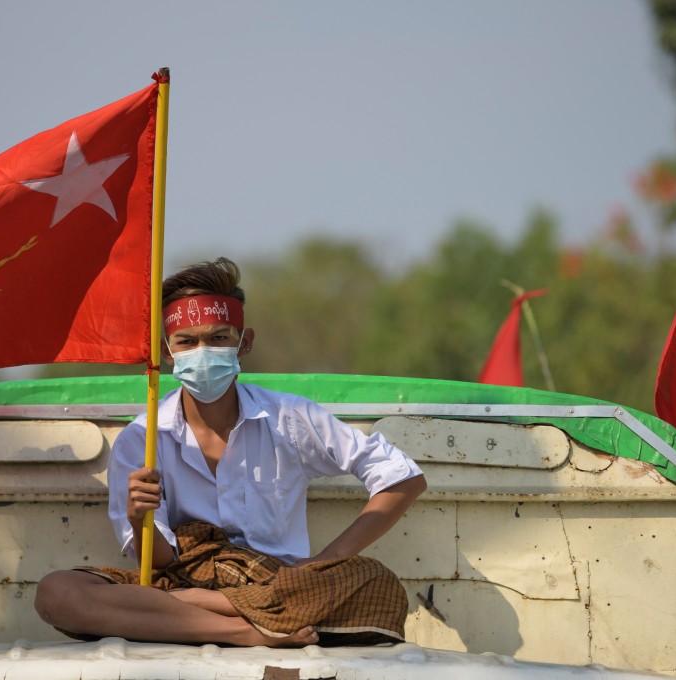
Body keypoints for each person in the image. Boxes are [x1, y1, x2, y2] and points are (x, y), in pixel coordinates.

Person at [35, 257, 426, 647]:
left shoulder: (289, 417)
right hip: (180, 583)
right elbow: (157, 565)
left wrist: (323, 562)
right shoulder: (142, 439)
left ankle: (209, 609)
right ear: (166, 351)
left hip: (279, 586)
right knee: (58, 592)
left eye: (219, 338)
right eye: (187, 341)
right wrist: (140, 519)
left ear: (245, 343)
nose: (203, 351)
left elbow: (402, 477)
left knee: (374, 581)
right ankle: (244, 631)